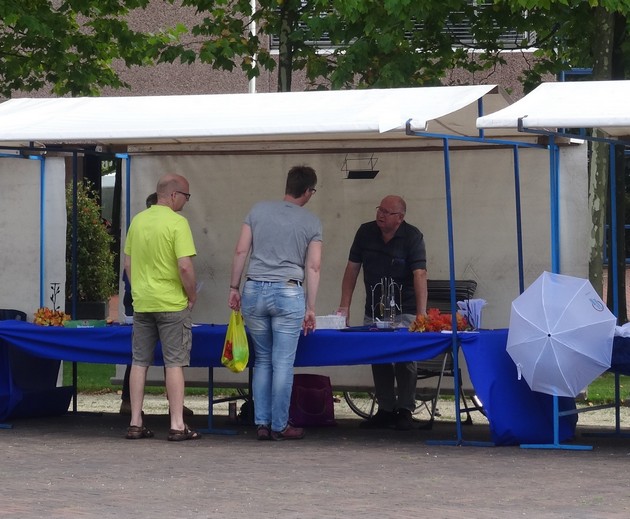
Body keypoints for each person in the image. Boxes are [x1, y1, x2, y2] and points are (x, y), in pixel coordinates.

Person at [228, 165, 322, 441]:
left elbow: (240, 250)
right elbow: (313, 266)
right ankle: (280, 424)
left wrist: (234, 287)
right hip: (288, 292)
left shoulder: (257, 211)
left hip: (254, 289)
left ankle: (261, 422)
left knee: (263, 360)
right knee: (283, 362)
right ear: (307, 191)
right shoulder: (311, 222)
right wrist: (310, 307)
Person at [337, 195, 427, 431]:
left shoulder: (412, 236)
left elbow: (420, 274)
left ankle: (405, 409)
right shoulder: (365, 232)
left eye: (387, 212)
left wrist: (421, 314)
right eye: (380, 209)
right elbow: (352, 269)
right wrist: (344, 306)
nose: (380, 215)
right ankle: (386, 409)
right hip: (375, 308)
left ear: (400, 218)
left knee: (405, 358)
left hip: (404, 308)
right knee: (379, 357)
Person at [123, 174, 200, 441]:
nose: (186, 202)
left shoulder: (138, 220)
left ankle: (135, 421)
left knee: (139, 362)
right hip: (171, 302)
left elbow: (128, 263)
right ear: (173, 195)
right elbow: (184, 266)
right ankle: (177, 424)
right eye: (186, 197)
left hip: (143, 303)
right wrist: (191, 295)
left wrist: (139, 289)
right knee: (174, 363)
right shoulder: (178, 223)